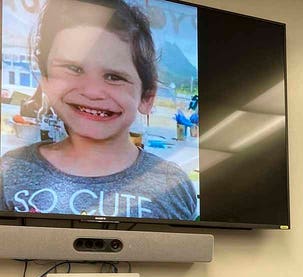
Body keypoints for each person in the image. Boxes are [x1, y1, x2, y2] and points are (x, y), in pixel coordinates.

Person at [0, 0, 197, 220]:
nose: (93, 91)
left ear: (147, 97)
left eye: (114, 77)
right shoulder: (10, 171)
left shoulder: (171, 183)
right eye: (74, 68)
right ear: (46, 79)